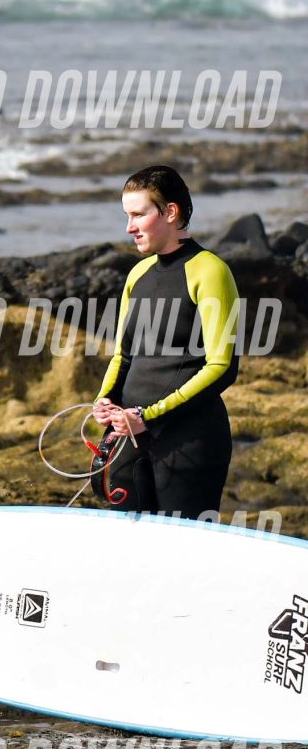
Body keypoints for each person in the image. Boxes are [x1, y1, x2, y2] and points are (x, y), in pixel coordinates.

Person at [89, 165, 240, 520]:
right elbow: (124, 356)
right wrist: (105, 399)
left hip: (189, 442)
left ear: (170, 212)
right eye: (127, 216)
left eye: (139, 214)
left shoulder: (210, 271)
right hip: (129, 438)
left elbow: (222, 367)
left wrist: (149, 416)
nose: (129, 227)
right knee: (131, 545)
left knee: (184, 549)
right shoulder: (138, 275)